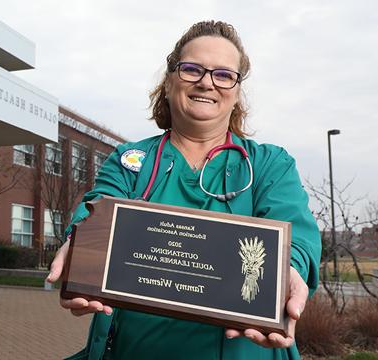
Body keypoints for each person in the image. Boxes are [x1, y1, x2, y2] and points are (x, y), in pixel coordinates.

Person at [47, 20, 321, 360]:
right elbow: (97, 207)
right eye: (192, 69)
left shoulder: (269, 164)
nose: (207, 82)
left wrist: (288, 272)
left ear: (236, 93)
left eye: (224, 75)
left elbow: (296, 235)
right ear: (169, 81)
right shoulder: (132, 160)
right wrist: (80, 245)